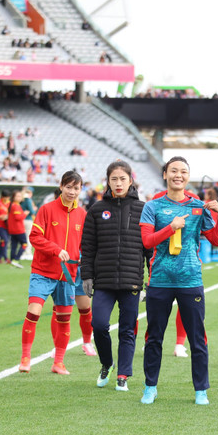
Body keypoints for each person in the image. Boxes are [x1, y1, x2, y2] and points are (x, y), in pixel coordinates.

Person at [139, 157, 218, 405]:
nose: (179, 175)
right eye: (174, 171)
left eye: (184, 172)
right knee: (154, 337)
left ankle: (201, 390)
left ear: (188, 177)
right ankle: (150, 387)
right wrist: (171, 227)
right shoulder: (152, 207)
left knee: (197, 338)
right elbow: (147, 242)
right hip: (160, 280)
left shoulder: (198, 206)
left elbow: (216, 240)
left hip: (190, 280)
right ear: (165, 174)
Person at [81, 160, 148, 392]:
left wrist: (151, 280)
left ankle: (123, 374)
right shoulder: (97, 210)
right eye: (114, 179)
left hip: (131, 280)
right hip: (104, 280)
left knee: (127, 329)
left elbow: (150, 248)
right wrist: (86, 275)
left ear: (130, 180)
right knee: (98, 325)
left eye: (122, 179)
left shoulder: (143, 209)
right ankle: (107, 364)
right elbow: (88, 247)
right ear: (107, 182)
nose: (118, 183)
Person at [19, 171, 86, 375]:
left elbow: (85, 243)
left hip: (68, 275)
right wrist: (56, 250)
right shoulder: (47, 210)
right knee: (34, 312)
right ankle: (25, 357)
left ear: (80, 190)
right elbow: (35, 237)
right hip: (43, 271)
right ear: (61, 186)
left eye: (76, 188)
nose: (72, 192)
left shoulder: (82, 214)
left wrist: (84, 255)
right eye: (69, 187)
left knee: (64, 319)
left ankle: (58, 362)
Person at [6, 189, 30, 268]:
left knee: (14, 246)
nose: (20, 197)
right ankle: (16, 259)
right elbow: (18, 217)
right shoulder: (15, 206)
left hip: (12, 230)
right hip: (18, 229)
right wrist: (25, 214)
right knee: (24, 244)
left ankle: (13, 261)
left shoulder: (12, 205)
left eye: (20, 196)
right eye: (18, 196)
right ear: (14, 197)